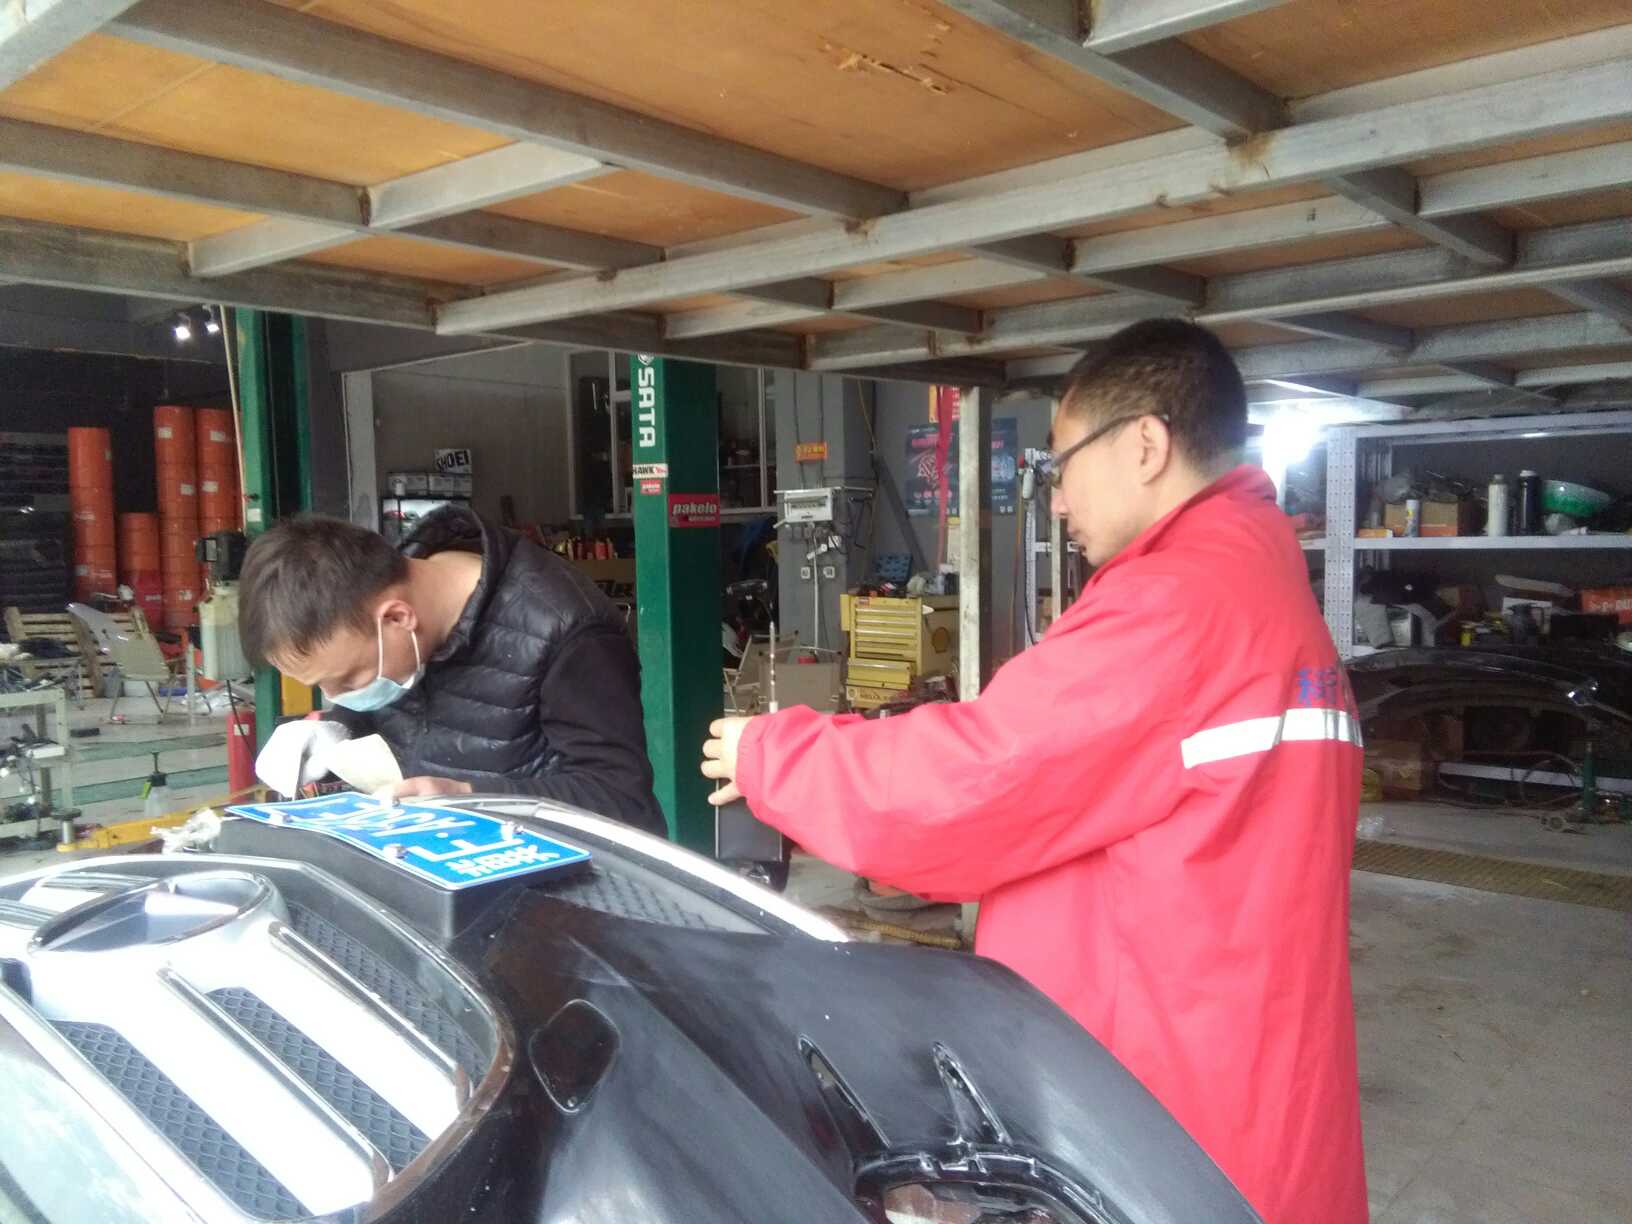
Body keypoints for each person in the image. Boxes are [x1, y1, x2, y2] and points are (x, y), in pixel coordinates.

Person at [701, 319, 1366, 1222]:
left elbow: (972, 784)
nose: (1055, 501)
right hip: (1254, 1094)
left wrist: (775, 755)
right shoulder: (1266, 587)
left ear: (1144, 445)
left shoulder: (1175, 606)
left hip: (1163, 1125)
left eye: (1064, 463)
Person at [239, 505, 665, 835]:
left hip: (551, 895)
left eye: (349, 680)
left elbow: (621, 799)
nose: (339, 695)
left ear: (399, 618)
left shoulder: (567, 631)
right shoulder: (383, 601)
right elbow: (388, 711)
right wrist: (337, 729)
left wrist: (470, 797)